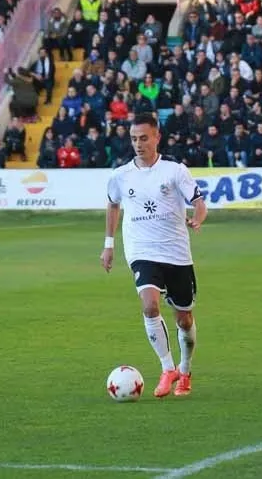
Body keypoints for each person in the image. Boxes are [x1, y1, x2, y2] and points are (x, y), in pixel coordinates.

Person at [100, 115, 208, 398]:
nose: (138, 144)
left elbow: (199, 203)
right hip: (142, 250)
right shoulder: (120, 175)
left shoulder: (174, 171)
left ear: (157, 137)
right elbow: (113, 205)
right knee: (149, 306)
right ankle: (167, 368)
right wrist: (109, 244)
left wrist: (197, 219)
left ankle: (185, 370)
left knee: (184, 319)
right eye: (134, 139)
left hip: (176, 252)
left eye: (144, 138)